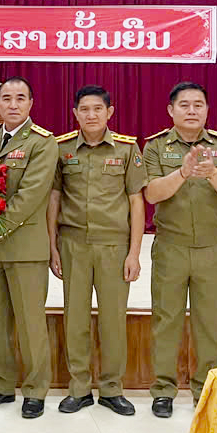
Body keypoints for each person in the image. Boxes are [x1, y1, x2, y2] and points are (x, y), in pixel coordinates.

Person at [142, 81, 217, 417]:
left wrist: (213, 173)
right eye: (184, 105)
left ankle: (206, 389)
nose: (191, 110)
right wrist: (183, 172)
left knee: (208, 322)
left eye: (198, 104)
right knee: (166, 320)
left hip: (211, 248)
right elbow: (152, 194)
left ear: (207, 110)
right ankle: (163, 389)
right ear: (171, 110)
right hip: (170, 247)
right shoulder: (156, 146)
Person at [48, 85, 146, 415]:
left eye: (97, 109)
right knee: (75, 319)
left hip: (113, 247)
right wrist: (53, 246)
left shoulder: (127, 149)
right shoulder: (62, 149)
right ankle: (79, 388)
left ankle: (111, 388)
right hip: (73, 244)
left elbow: (136, 201)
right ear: (75, 113)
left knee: (113, 321)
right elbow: (54, 199)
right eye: (84, 109)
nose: (91, 115)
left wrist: (134, 253)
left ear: (109, 112)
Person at [0, 77, 56, 419]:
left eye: (21, 98)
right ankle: (2, 384)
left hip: (25, 248)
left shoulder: (42, 143)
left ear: (31, 103)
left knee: (30, 324)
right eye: (7, 98)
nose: (13, 104)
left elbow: (29, 197)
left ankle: (35, 389)